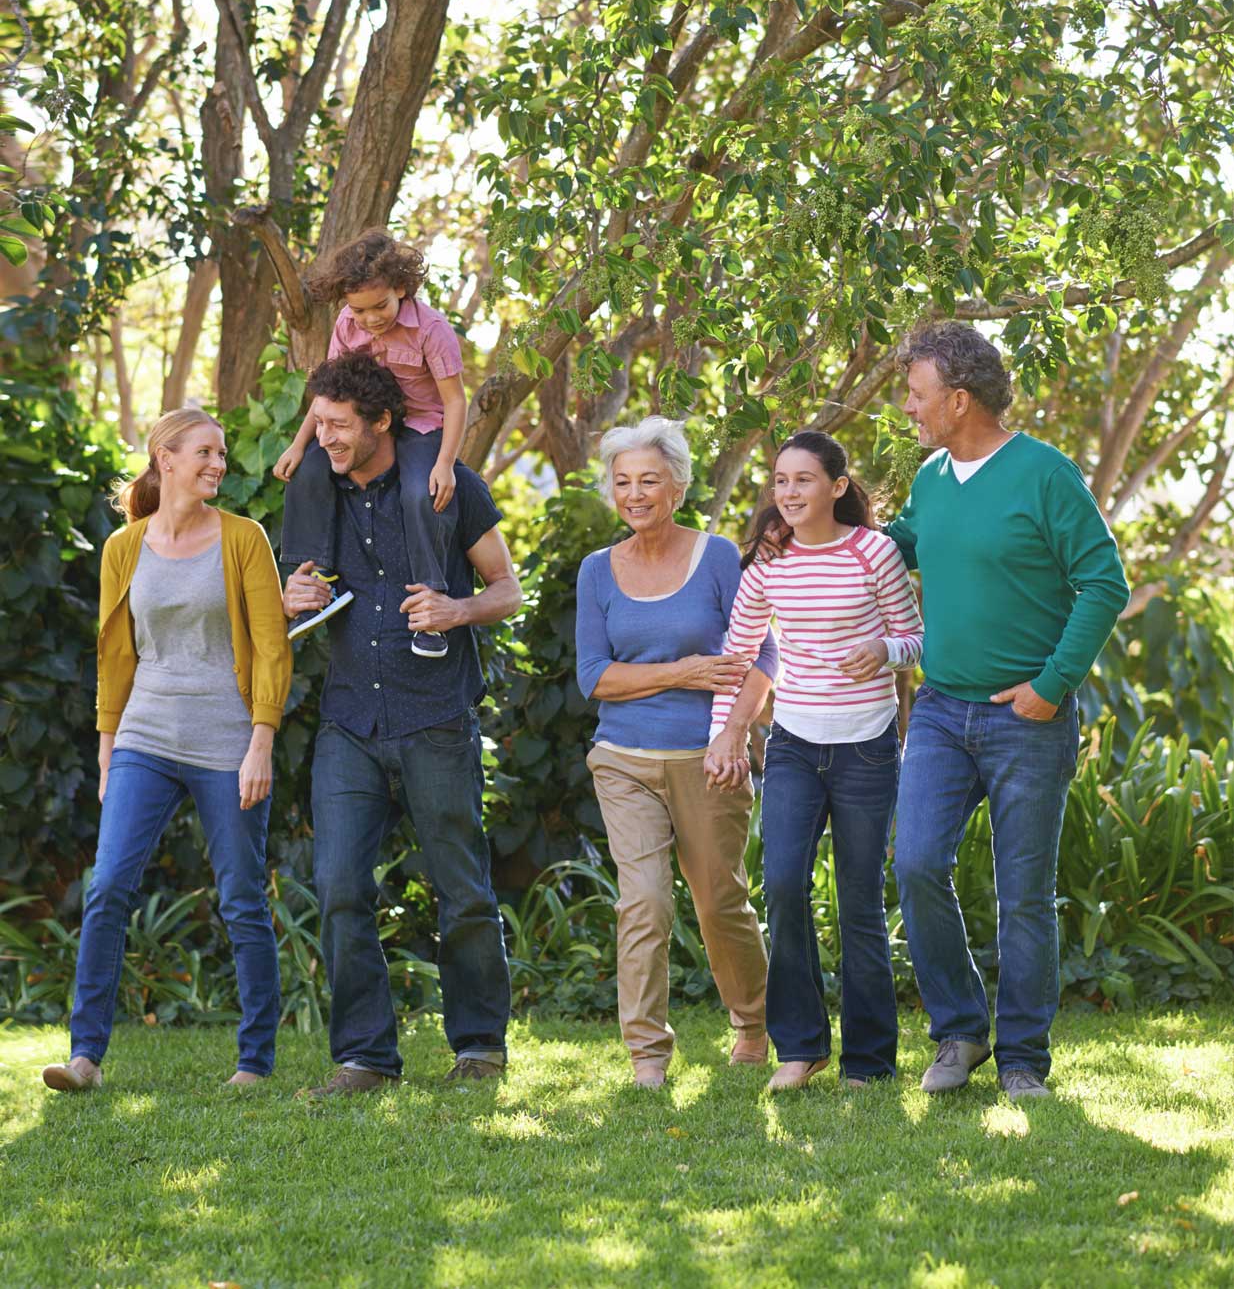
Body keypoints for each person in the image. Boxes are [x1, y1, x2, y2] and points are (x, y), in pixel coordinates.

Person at [887, 322, 1129, 1100]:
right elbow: (898, 547)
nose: (910, 408)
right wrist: (813, 530)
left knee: (1024, 892)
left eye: (918, 395)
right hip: (940, 711)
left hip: (1028, 716)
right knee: (917, 862)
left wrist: (1053, 684)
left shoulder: (1043, 474)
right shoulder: (930, 477)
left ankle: (1023, 1056)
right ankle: (960, 1032)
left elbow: (1104, 583)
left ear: (959, 399)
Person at [283, 353, 521, 1097]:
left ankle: (479, 1047)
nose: (326, 437)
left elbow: (507, 590)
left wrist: (457, 609)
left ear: (382, 421)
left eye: (340, 425)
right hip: (350, 720)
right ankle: (365, 1059)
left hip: (435, 719)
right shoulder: (317, 489)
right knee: (340, 885)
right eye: (319, 423)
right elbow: (302, 591)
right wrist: (293, 592)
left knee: (463, 888)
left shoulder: (448, 486)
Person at [42, 409, 292, 1093]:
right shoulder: (124, 547)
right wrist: (105, 745)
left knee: (241, 899)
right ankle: (85, 1057)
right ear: (166, 458)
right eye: (206, 452)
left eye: (221, 452)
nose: (219, 463)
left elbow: (272, 647)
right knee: (108, 889)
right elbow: (115, 654)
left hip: (226, 742)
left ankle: (253, 1062)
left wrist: (262, 741)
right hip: (143, 739)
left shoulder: (245, 540)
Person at [711, 432, 923, 1092]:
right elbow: (739, 652)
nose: (790, 492)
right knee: (783, 888)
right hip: (795, 746)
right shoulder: (769, 564)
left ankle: (868, 1059)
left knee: (859, 901)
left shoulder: (874, 553)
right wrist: (726, 734)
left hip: (866, 747)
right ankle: (800, 1049)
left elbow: (914, 638)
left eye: (804, 480)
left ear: (836, 486)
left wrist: (885, 652)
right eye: (781, 481)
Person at [575, 417, 778, 1089]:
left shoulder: (718, 557)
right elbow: (593, 676)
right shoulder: (596, 572)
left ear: (678, 486)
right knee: (644, 903)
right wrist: (683, 672)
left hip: (707, 758)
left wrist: (732, 734)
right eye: (622, 481)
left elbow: (761, 653)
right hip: (623, 758)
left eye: (648, 480)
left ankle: (751, 1025)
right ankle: (647, 1057)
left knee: (720, 901)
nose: (634, 494)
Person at [275, 228, 467, 657]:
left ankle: (428, 608)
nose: (370, 319)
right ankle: (319, 576)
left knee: (421, 493)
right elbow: (330, 391)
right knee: (308, 469)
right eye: (358, 310)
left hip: (419, 426)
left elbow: (455, 402)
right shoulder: (347, 324)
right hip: (367, 424)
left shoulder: (431, 329)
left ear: (401, 287)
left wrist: (445, 462)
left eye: (379, 306)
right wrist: (297, 445)